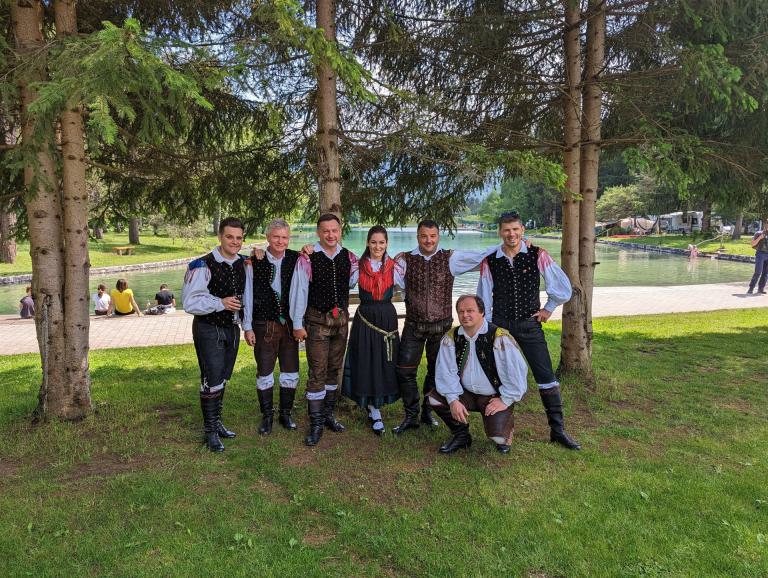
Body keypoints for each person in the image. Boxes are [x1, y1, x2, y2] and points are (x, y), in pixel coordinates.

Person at [477, 211, 581, 450]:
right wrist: (489, 327)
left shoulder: (538, 254)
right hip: (501, 327)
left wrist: (548, 308)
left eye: (515, 229)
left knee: (546, 376)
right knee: (500, 378)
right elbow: (484, 296)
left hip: (529, 324)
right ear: (500, 232)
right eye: (506, 230)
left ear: (522, 230)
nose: (511, 234)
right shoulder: (490, 260)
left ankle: (558, 431)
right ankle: (503, 433)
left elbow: (562, 286)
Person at [392, 220, 496, 435]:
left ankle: (427, 412)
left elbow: (481, 255)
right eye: (424, 236)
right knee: (404, 370)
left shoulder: (451, 258)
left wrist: (510, 244)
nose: (428, 240)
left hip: (441, 327)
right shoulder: (405, 260)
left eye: (432, 236)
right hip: (413, 325)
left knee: (436, 370)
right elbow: (389, 276)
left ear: (438, 236)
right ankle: (411, 416)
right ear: (417, 237)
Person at [289, 213, 359, 447]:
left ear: (340, 231)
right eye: (326, 231)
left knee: (333, 370)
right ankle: (316, 422)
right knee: (317, 372)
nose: (330, 235)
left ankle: (328, 414)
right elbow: (299, 292)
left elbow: (355, 279)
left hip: (341, 323)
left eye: (334, 230)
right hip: (317, 322)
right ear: (318, 232)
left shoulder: (349, 257)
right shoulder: (307, 258)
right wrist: (297, 324)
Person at [428, 295, 528, 454]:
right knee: (434, 398)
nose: (465, 315)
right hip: (465, 393)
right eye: (461, 311)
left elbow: (515, 372)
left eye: (470, 311)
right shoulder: (451, 337)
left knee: (498, 439)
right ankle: (461, 434)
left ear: (482, 312)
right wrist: (453, 400)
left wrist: (505, 399)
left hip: (492, 397)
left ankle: (504, 429)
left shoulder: (499, 337)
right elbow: (446, 372)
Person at [182, 217, 246, 452]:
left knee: (223, 376)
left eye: (239, 238)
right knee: (211, 378)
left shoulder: (244, 263)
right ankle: (210, 432)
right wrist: (220, 303)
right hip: (209, 328)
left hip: (232, 328)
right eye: (230, 237)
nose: (234, 242)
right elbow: (190, 302)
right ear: (220, 236)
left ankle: (217, 423)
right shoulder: (202, 265)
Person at [341, 225, 402, 435]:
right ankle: (372, 409)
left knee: (385, 361)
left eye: (381, 242)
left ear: (387, 244)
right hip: (366, 317)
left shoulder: (395, 267)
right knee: (367, 361)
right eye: (374, 242)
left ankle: (381, 400)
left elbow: (407, 286)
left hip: (387, 317)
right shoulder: (357, 267)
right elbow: (344, 284)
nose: (377, 246)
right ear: (367, 243)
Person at [243, 219, 301, 435]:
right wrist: (247, 326)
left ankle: (286, 413)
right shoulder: (254, 261)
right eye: (276, 236)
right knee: (265, 371)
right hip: (263, 324)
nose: (280, 241)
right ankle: (267, 415)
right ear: (267, 237)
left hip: (289, 325)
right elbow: (247, 294)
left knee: (290, 369)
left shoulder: (297, 258)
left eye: (284, 237)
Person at [747, 226, 768, 295]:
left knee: (766, 273)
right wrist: (760, 238)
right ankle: (751, 288)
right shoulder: (758, 233)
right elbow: (752, 244)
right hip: (760, 254)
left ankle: (760, 289)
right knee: (758, 272)